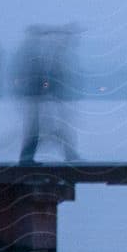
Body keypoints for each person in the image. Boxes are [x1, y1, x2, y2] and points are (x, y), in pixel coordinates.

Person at [18, 24, 80, 163]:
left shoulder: (39, 52)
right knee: (41, 129)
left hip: (44, 98)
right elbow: (38, 75)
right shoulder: (34, 53)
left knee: (43, 129)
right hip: (39, 98)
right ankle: (28, 157)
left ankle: (68, 154)